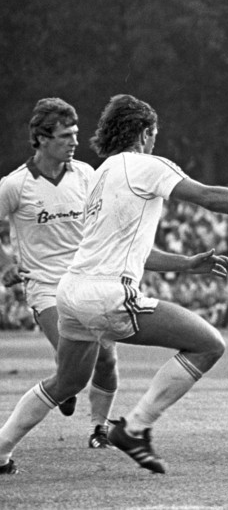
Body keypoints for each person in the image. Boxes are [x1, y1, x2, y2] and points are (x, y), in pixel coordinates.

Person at [0, 94, 228, 475]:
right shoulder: (146, 166)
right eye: (154, 135)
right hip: (108, 294)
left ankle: (1, 449)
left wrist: (186, 264)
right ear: (145, 133)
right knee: (209, 344)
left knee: (67, 381)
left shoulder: (101, 173)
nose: (154, 142)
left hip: (71, 293)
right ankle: (135, 428)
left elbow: (129, 247)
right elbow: (208, 197)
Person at [0, 97, 120, 448]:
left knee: (106, 359)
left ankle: (99, 428)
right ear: (41, 138)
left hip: (89, 280)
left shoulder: (86, 175)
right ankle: (66, 385)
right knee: (76, 355)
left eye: (76, 134)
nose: (74, 142)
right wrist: (6, 264)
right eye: (65, 135)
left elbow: (107, 222)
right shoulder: (15, 185)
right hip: (46, 287)